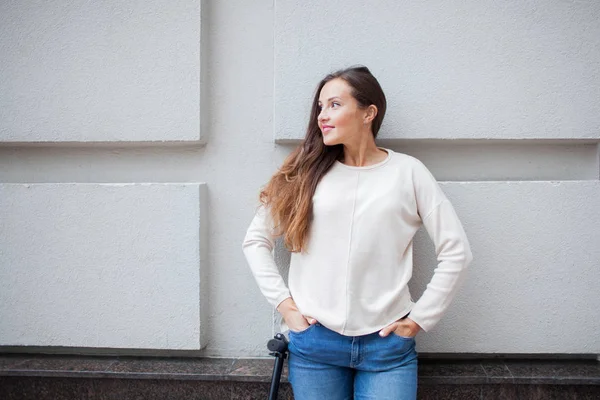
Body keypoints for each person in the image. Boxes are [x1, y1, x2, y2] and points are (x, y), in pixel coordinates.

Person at [242, 65, 473, 399]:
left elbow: (458, 253)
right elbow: (255, 240)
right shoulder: (305, 172)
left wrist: (418, 321)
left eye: (334, 104)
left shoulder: (408, 173)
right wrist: (287, 309)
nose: (322, 115)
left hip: (387, 349)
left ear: (369, 112)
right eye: (320, 106)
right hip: (315, 344)